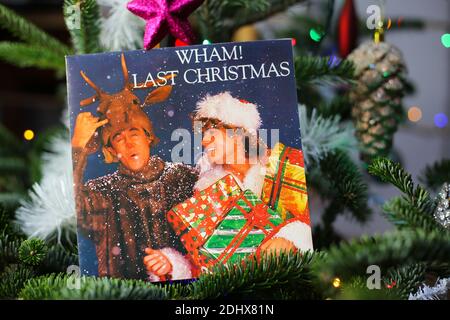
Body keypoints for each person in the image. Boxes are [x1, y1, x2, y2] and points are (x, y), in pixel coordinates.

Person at [72, 57, 198, 281]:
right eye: (119, 138)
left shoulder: (185, 178)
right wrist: (77, 149)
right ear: (111, 150)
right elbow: (73, 211)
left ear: (148, 137)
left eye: (135, 133)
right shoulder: (102, 193)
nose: (129, 143)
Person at [191, 91, 313, 254]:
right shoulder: (207, 191)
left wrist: (293, 238)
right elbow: (204, 255)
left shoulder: (288, 164)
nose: (204, 141)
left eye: (212, 132)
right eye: (202, 134)